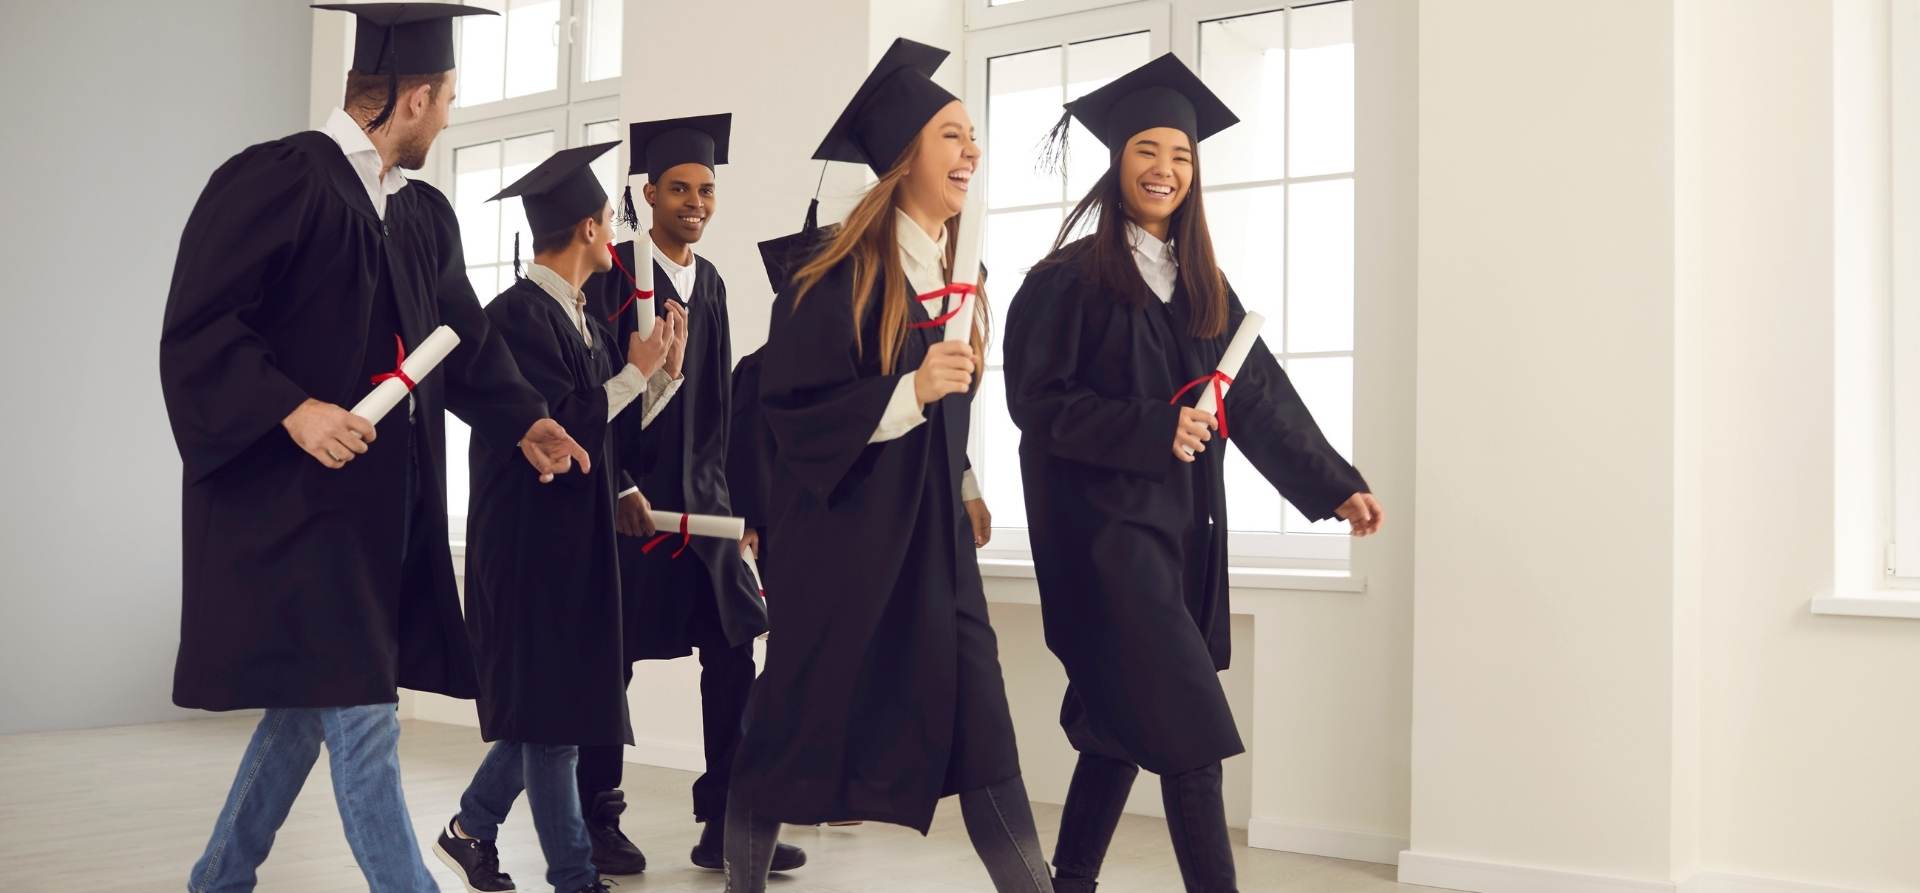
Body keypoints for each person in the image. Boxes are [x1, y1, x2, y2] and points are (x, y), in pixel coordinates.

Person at [158, 4, 590, 890]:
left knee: (308, 710)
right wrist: (293, 410)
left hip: (377, 518)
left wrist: (526, 418)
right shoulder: (279, 181)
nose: (449, 117)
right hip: (295, 511)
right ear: (415, 97)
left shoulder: (422, 214)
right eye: (449, 101)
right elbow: (200, 330)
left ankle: (216, 880)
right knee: (363, 715)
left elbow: (464, 340)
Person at [1001, 54, 1385, 893]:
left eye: (1179, 154)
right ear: (1116, 160)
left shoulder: (1201, 283)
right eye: (1147, 149)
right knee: (1190, 733)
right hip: (1104, 543)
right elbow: (1038, 405)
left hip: (1178, 538)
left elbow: (1259, 399)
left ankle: (1069, 883)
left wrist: (1334, 482)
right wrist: (1152, 426)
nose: (1164, 169)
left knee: (1120, 724)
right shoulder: (1064, 282)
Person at [723, 37, 1051, 893]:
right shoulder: (831, 274)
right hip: (844, 542)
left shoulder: (963, 272)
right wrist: (907, 390)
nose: (971, 151)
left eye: (973, 135)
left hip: (934, 541)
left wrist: (968, 481)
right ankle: (743, 882)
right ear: (905, 155)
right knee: (788, 719)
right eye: (952, 134)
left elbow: (953, 404)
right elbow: (792, 413)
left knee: (984, 726)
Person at [431, 142, 683, 893]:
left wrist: (659, 374)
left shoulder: (583, 321)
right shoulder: (512, 318)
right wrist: (634, 372)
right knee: (554, 719)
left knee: (554, 710)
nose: (616, 235)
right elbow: (561, 430)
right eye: (608, 222)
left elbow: (610, 433)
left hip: (577, 544)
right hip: (529, 547)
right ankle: (575, 877)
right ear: (586, 230)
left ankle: (472, 828)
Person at [576, 114, 800, 875]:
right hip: (629, 503)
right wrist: (622, 482)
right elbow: (594, 391)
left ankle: (727, 820)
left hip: (703, 502)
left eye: (705, 189)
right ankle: (595, 817)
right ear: (648, 192)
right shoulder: (612, 275)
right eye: (679, 189)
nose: (695, 202)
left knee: (734, 653)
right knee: (613, 662)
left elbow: (720, 412)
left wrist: (739, 513)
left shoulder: (711, 283)